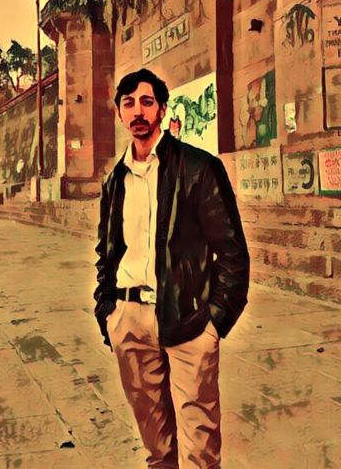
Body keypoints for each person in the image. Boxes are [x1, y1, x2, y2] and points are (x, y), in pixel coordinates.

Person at [93, 69, 249, 469]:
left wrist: (214, 322)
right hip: (129, 319)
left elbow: (232, 251)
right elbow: (107, 251)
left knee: (199, 448)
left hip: (188, 318)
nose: (138, 112)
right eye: (129, 103)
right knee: (157, 449)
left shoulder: (199, 168)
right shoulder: (115, 181)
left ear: (162, 109)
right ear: (119, 113)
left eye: (147, 102)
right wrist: (108, 310)